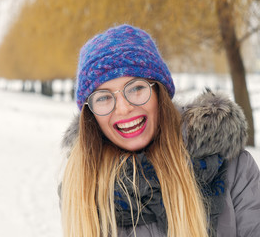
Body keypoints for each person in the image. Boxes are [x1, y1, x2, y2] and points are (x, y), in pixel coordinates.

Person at [59, 24, 260, 237]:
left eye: (136, 88)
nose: (124, 108)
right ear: (91, 114)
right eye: (103, 97)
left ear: (158, 92)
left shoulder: (231, 168)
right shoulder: (80, 189)